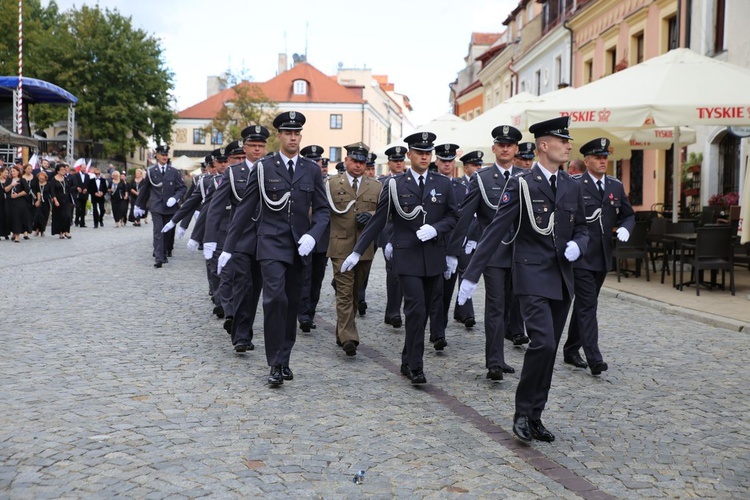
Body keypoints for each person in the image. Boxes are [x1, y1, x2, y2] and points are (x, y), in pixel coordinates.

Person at [457, 116, 589, 443]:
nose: (568, 146)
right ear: (544, 145)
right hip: (530, 274)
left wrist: (578, 244)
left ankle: (535, 415)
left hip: (562, 277)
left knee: (550, 349)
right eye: (562, 140)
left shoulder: (573, 184)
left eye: (568, 141)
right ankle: (521, 411)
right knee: (541, 342)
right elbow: (495, 230)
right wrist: (471, 275)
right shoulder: (522, 184)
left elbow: (583, 227)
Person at [221, 111, 329, 386]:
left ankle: (285, 358)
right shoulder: (264, 167)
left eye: (297, 133)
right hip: (270, 242)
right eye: (288, 133)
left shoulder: (312, 169)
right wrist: (228, 248)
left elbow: (324, 211)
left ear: (300, 136)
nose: (293, 137)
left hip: (299, 245)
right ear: (279, 136)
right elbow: (244, 209)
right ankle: (274, 363)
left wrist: (313, 236)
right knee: (274, 300)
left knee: (292, 302)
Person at [342, 132, 458, 385]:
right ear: (409, 155)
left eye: (428, 153)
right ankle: (416, 365)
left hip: (433, 258)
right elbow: (378, 221)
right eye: (419, 152)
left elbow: (453, 217)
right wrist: (357, 251)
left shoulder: (444, 184)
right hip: (407, 257)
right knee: (415, 310)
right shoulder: (395, 185)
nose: (425, 157)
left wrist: (437, 229)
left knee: (426, 310)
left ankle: (407, 358)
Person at [449, 125, 526, 381]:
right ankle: (494, 361)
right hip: (493, 253)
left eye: (510, 145)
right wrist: (454, 251)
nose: (505, 149)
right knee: (495, 306)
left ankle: (501, 355)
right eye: (501, 145)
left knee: (513, 307)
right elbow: (464, 217)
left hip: (521, 254)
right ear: (494, 149)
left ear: (516, 149)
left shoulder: (526, 177)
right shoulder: (481, 179)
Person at [563, 137, 635, 376]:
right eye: (598, 157)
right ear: (587, 161)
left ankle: (571, 349)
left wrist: (626, 226)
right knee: (587, 305)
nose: (603, 161)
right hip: (582, 255)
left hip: (603, 256)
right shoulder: (575, 184)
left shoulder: (614, 185)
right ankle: (594, 358)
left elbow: (628, 214)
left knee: (585, 305)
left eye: (605, 157)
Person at [207, 126, 269, 351]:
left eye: (261, 146)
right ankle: (241, 335)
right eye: (253, 146)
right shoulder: (233, 172)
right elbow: (215, 208)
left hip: (266, 238)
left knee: (257, 289)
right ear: (245, 148)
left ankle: (245, 328)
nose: (257, 150)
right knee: (243, 286)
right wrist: (210, 239)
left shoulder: (271, 169)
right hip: (242, 239)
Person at [326, 142, 381, 356]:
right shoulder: (331, 184)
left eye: (362, 162)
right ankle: (349, 336)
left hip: (365, 247)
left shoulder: (375, 186)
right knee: (344, 292)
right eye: (354, 161)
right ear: (346, 160)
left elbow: (387, 214)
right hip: (340, 245)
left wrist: (372, 216)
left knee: (356, 291)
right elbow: (321, 211)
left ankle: (342, 331)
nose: (358, 165)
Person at [134, 145, 187, 268]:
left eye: (166, 154)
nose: (165, 157)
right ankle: (158, 258)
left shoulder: (173, 171)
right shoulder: (151, 171)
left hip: (170, 208)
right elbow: (145, 189)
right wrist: (138, 204)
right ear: (156, 156)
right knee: (158, 231)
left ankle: (163, 253)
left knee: (167, 232)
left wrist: (175, 198)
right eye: (162, 154)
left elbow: (182, 188)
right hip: (156, 206)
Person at [297, 144, 330, 333]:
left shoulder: (329, 183)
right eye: (311, 161)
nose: (315, 164)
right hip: (303, 236)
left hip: (322, 238)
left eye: (317, 161)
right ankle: (303, 316)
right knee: (304, 277)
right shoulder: (300, 178)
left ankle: (310, 311)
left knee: (317, 279)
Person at [377, 145, 408, 328]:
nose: (398, 164)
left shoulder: (408, 181)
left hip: (405, 231)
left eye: (401, 160)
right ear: (389, 163)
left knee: (403, 272)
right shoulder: (382, 183)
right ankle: (394, 311)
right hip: (388, 230)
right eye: (395, 161)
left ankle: (393, 311)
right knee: (393, 271)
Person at [356, 151, 379, 313]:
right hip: (350, 234)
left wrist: (370, 215)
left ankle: (360, 296)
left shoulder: (378, 186)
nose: (370, 172)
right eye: (368, 168)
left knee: (365, 267)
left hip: (371, 234)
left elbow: (384, 210)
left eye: (372, 169)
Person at [50, 163, 73, 239]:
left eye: (64, 169)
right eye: (62, 170)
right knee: (60, 217)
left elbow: (68, 189)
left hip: (66, 200)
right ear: (58, 171)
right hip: (58, 200)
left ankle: (67, 231)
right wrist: (55, 200)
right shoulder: (53, 180)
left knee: (68, 216)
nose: (64, 171)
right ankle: (60, 232)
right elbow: (52, 191)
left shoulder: (66, 179)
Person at [7, 165, 28, 243]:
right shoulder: (9, 180)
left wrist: (17, 195)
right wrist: (11, 185)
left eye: (14, 171)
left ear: (18, 172)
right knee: (11, 217)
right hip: (10, 202)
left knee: (17, 218)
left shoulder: (22, 180)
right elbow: (5, 189)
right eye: (11, 171)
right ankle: (13, 233)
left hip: (19, 201)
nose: (13, 173)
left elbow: (27, 191)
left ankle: (17, 236)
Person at [31, 170, 51, 237]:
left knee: (45, 216)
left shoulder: (48, 184)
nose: (41, 179)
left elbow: (51, 193)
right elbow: (35, 191)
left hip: (46, 201)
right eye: (40, 177)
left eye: (43, 178)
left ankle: (42, 230)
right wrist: (38, 199)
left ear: (45, 178)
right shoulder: (36, 184)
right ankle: (36, 229)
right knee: (38, 216)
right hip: (38, 201)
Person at [0, 166, 9, 240]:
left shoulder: (8, 181)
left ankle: (6, 233)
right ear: (1, 173)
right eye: (5, 173)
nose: (6, 174)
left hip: (8, 201)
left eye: (7, 173)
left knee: (7, 216)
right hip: (0, 200)